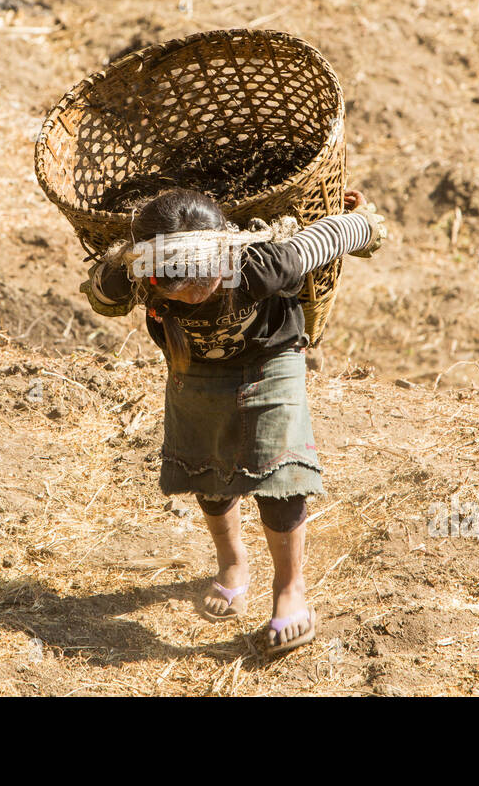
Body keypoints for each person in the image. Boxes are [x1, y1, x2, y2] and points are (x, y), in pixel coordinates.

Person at [81, 187, 385, 657]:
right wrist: (119, 271)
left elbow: (330, 237)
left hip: (270, 360)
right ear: (152, 273)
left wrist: (364, 223)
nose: (198, 289)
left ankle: (290, 590)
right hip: (194, 370)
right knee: (210, 469)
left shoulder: (259, 264)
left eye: (207, 274)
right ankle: (232, 565)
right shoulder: (137, 275)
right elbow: (101, 294)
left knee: (278, 476)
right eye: (178, 281)